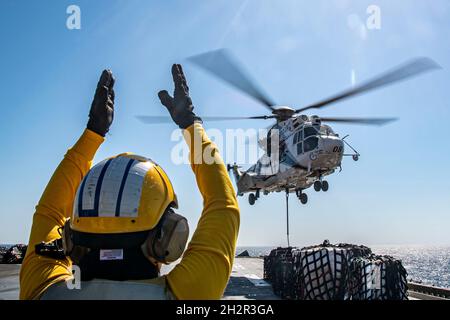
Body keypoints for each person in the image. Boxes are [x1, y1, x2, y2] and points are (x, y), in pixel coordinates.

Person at [19, 65, 240, 300]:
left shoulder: (41, 289)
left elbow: (48, 213)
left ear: (70, 238)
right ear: (168, 237)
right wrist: (190, 124)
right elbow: (223, 204)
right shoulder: (187, 295)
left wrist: (93, 133)